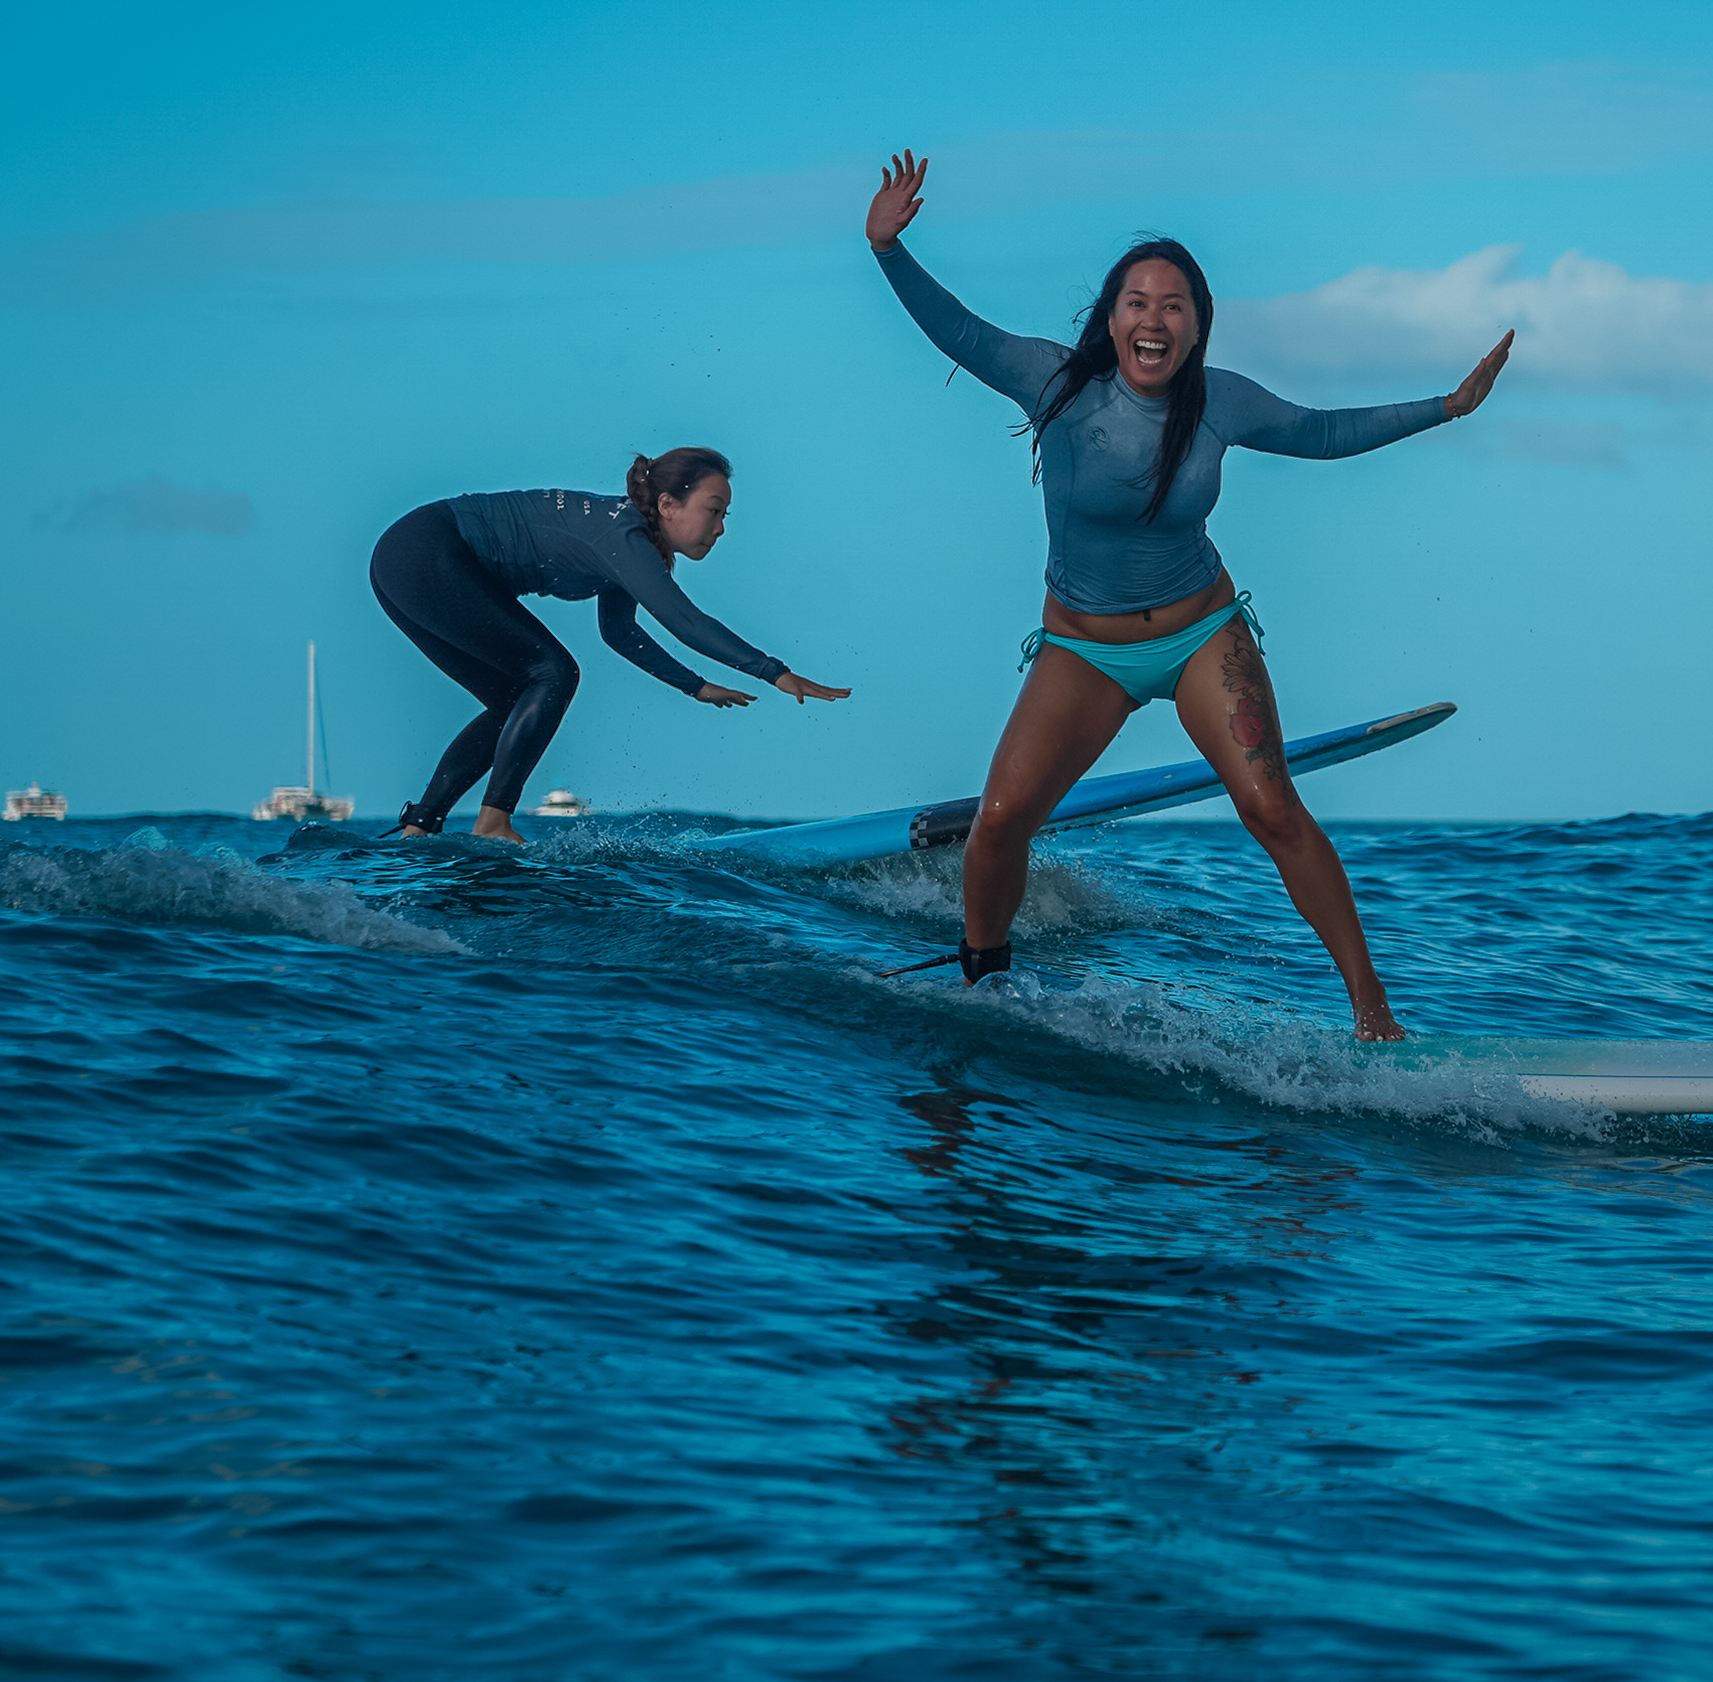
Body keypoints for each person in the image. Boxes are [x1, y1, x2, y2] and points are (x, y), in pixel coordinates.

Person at [863, 151, 1512, 1039]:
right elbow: (964, 334)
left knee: (1270, 807)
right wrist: (889, 251)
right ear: (1113, 316)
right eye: (1138, 303)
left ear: (1199, 326)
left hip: (1203, 633)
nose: (1155, 320)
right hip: (1082, 651)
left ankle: (1374, 1014)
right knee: (1002, 819)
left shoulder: (1221, 404)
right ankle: (983, 977)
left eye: (1175, 306)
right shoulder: (1057, 384)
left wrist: (1447, 407)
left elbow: (1321, 434)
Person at [369, 449, 848, 844]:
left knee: (516, 694)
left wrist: (695, 686)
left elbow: (619, 633)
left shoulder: (625, 539)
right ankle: (493, 822)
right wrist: (774, 671)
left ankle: (419, 826)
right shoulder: (624, 538)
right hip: (427, 551)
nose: (720, 527)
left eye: (725, 514)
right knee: (553, 673)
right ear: (667, 505)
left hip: (405, 557)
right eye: (713, 510)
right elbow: (685, 620)